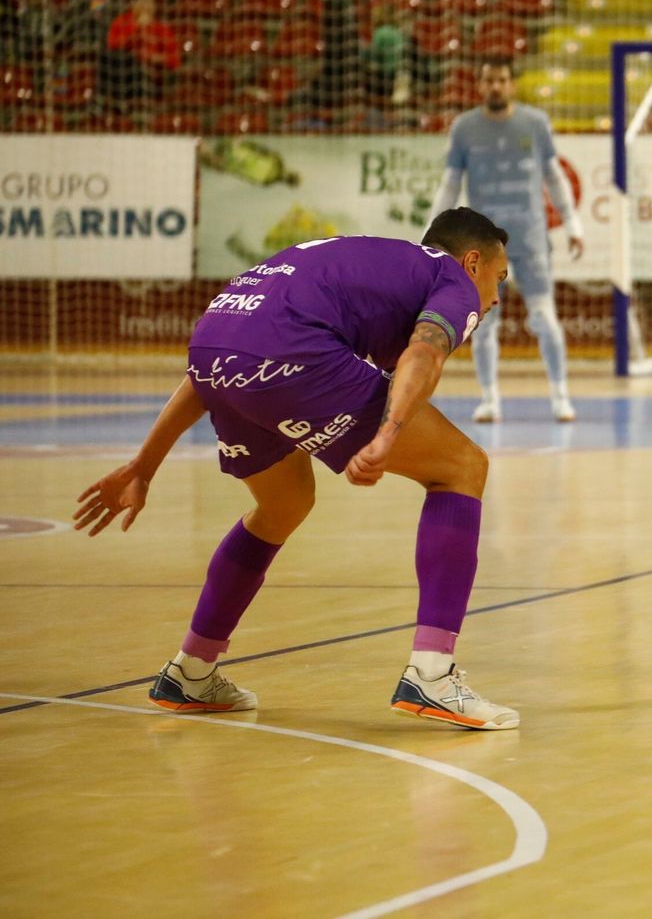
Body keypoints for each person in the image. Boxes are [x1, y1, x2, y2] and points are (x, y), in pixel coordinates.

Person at [73, 208, 522, 731]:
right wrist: (388, 432)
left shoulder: (366, 263)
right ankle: (433, 675)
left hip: (215, 344)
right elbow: (424, 351)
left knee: (284, 504)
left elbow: (213, 364)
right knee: (462, 467)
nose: (495, 298)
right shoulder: (452, 279)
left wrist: (142, 466)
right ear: (473, 262)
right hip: (294, 350)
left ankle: (191, 671)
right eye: (499, 279)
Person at [430, 59, 584, 423]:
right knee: (483, 325)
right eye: (489, 80)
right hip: (482, 246)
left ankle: (561, 395)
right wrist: (433, 235)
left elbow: (554, 177)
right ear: (481, 85)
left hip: (530, 239)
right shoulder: (465, 128)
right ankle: (489, 400)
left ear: (512, 84)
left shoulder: (535, 123)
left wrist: (573, 223)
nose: (496, 86)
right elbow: (450, 183)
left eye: (502, 79)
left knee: (545, 318)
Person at [104, 0, 180, 107]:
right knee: (120, 58)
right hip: (123, 72)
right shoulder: (121, 22)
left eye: (150, 3)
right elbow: (112, 48)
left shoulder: (162, 28)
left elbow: (175, 60)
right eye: (143, 2)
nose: (147, 7)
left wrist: (157, 58)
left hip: (151, 75)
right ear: (133, 4)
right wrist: (137, 28)